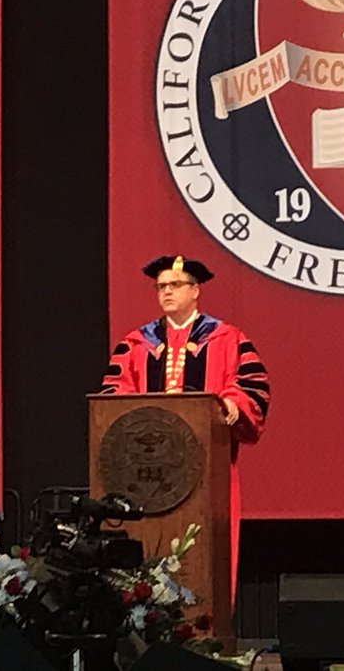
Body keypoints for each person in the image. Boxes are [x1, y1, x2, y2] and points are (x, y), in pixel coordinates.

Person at [101, 254, 269, 596]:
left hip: (208, 463)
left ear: (195, 291)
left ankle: (208, 622)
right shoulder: (136, 342)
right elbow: (114, 390)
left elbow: (251, 383)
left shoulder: (227, 338)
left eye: (174, 285)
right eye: (160, 286)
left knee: (208, 547)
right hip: (145, 471)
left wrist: (234, 403)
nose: (166, 292)